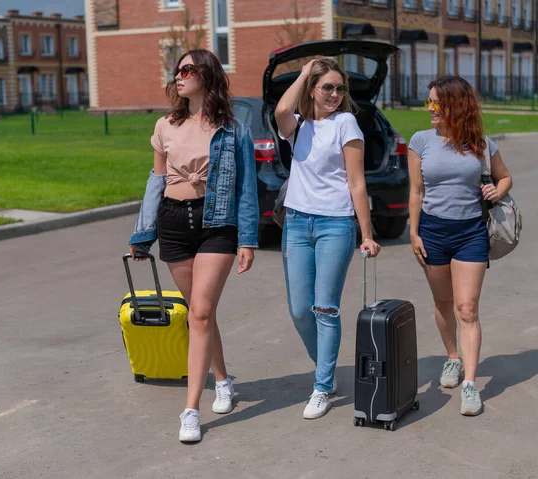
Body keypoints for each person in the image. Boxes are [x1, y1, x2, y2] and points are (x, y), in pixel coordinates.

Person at [128, 49, 259, 442]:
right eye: (177, 70)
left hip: (216, 224)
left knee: (199, 314)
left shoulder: (234, 130)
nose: (179, 76)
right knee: (202, 314)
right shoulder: (165, 125)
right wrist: (142, 233)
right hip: (173, 222)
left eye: (187, 69)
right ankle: (222, 379)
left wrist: (248, 239)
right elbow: (156, 182)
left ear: (207, 75)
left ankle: (190, 411)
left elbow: (246, 188)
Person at [274, 58, 381, 420]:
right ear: (313, 90)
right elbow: (281, 109)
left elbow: (356, 182)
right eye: (327, 88)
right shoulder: (299, 125)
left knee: (325, 307)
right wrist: (305, 73)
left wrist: (366, 234)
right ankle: (325, 364)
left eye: (340, 88)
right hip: (297, 224)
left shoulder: (346, 123)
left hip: (335, 224)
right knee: (299, 310)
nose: (335, 94)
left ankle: (322, 385)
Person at [408, 76, 512, 416]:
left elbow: (505, 176)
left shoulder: (480, 143)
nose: (429, 109)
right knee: (443, 302)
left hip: (470, 233)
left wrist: (498, 190)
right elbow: (416, 192)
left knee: (467, 309)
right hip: (433, 232)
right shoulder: (420, 141)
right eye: (429, 102)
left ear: (455, 105)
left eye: (435, 102)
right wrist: (414, 232)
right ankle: (452, 357)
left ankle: (470, 383)